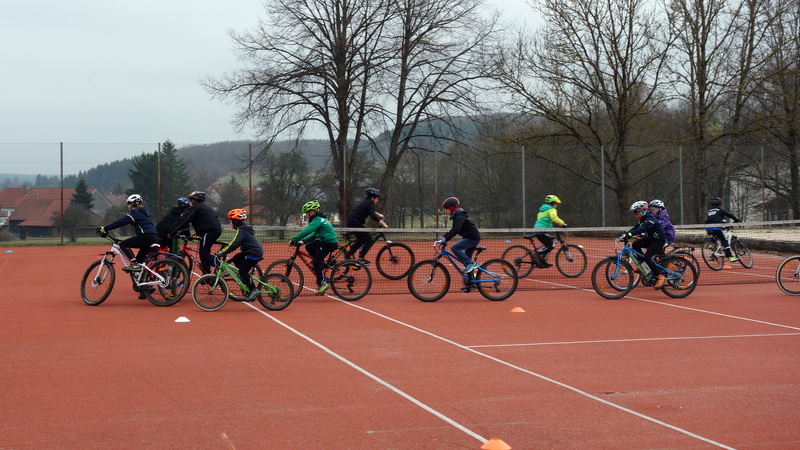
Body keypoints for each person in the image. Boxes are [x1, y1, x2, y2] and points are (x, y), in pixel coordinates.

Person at [96, 194, 160, 273]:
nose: (128, 206)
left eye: (128, 204)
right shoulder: (144, 212)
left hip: (146, 236)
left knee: (123, 244)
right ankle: (141, 281)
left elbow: (121, 222)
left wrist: (105, 228)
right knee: (140, 262)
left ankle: (134, 263)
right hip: (154, 237)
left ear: (131, 204)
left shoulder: (135, 212)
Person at [290, 200, 339, 295]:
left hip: (328, 243)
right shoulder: (318, 220)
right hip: (323, 241)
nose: (306, 216)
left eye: (306, 214)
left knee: (316, 262)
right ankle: (322, 263)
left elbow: (308, 230)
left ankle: (323, 283)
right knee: (309, 247)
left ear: (311, 212)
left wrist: (294, 239)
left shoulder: (317, 220)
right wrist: (303, 241)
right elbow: (315, 235)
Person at [168, 191, 222, 274]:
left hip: (209, 231)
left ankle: (221, 267)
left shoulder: (195, 208)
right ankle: (207, 274)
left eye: (190, 200)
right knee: (203, 253)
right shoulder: (204, 207)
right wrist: (199, 231)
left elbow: (183, 221)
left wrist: (172, 232)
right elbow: (206, 220)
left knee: (204, 254)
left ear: (194, 200)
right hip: (211, 230)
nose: (189, 202)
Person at [217, 209, 264, 302]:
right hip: (249, 251)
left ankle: (253, 289)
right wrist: (226, 249)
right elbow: (235, 242)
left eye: (230, 221)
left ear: (235, 221)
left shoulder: (241, 231)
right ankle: (244, 277)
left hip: (253, 253)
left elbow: (235, 243)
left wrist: (223, 252)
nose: (230, 223)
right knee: (236, 258)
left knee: (243, 271)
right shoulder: (242, 230)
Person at [620, 201, 667, 289]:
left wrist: (631, 234)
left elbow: (644, 228)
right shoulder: (642, 219)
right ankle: (644, 266)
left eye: (636, 214)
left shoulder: (650, 217)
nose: (635, 216)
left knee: (647, 257)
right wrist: (627, 234)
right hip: (651, 239)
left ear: (642, 211)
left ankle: (660, 277)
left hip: (658, 240)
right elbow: (636, 227)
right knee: (636, 244)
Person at [436, 197, 481, 274]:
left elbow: (456, 230)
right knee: (467, 263)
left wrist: (445, 238)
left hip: (472, 238)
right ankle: (471, 281)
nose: (445, 211)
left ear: (452, 208)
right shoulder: (457, 216)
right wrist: (444, 237)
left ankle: (471, 264)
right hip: (470, 237)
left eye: (446, 209)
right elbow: (454, 229)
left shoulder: (459, 217)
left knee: (455, 248)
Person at [346, 187, 389, 264]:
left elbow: (370, 211)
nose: (378, 200)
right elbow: (372, 216)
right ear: (373, 198)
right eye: (377, 199)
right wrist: (383, 224)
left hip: (353, 222)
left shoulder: (366, 202)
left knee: (362, 239)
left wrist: (378, 214)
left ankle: (348, 255)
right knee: (368, 239)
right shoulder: (370, 203)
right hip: (355, 222)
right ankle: (360, 258)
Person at [532, 194, 567, 268]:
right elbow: (554, 218)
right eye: (556, 204)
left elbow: (545, 221)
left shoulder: (542, 211)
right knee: (551, 245)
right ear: (553, 203)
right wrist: (563, 224)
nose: (556, 206)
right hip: (542, 230)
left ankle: (542, 261)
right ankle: (537, 254)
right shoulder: (552, 210)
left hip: (538, 229)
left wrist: (552, 227)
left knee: (548, 243)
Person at [705, 196, 741, 262]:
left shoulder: (709, 211)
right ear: (719, 204)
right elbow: (729, 215)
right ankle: (730, 256)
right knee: (724, 241)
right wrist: (736, 220)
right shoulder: (720, 210)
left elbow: (713, 219)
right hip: (716, 227)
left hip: (708, 227)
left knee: (715, 235)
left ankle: (712, 245)